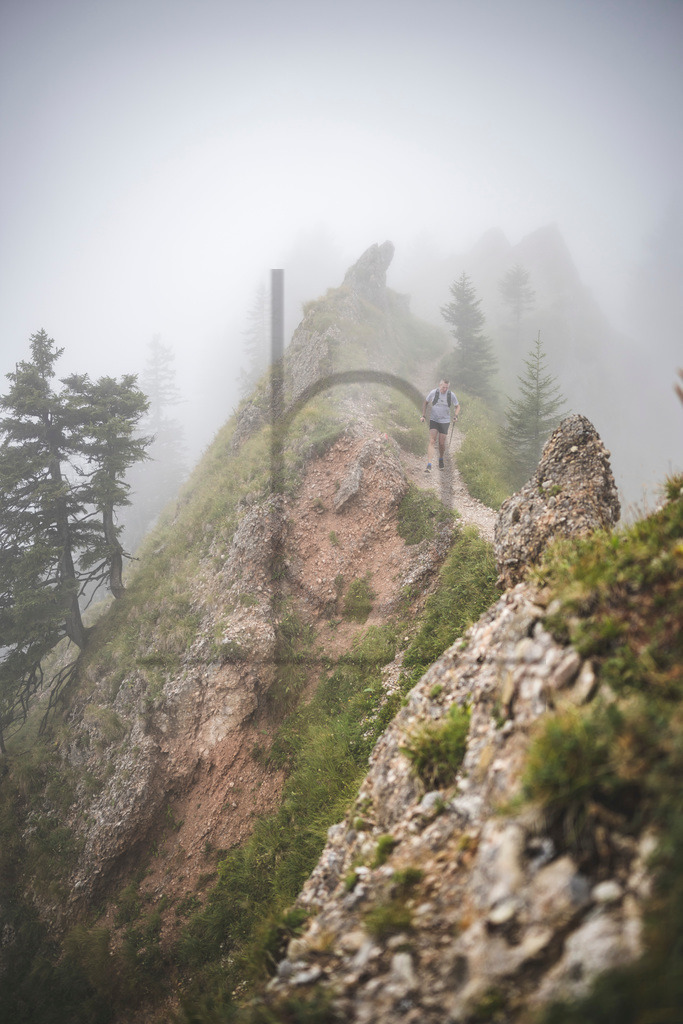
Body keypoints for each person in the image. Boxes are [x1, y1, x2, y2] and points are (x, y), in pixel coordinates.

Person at [421, 379, 460, 471]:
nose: (445, 389)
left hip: (445, 421)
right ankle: (429, 464)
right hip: (434, 420)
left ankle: (441, 458)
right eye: (443, 387)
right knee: (432, 440)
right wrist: (423, 415)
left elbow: (457, 406)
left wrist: (455, 416)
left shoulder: (451, 395)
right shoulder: (433, 393)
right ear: (439, 385)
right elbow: (425, 403)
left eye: (447, 387)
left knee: (441, 443)